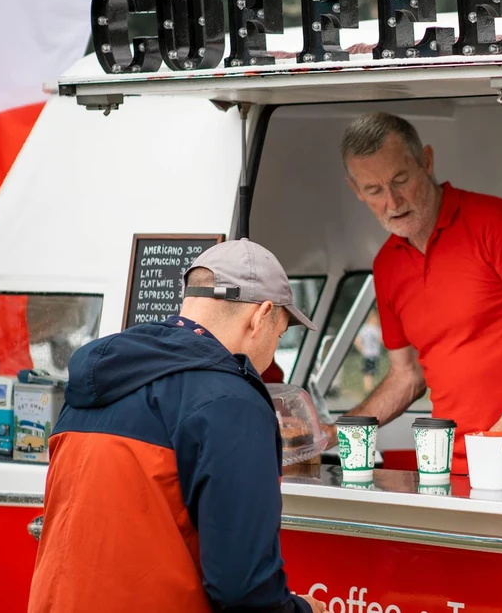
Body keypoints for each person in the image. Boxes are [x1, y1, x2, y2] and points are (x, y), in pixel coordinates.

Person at [28, 238, 327, 613]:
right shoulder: (232, 403)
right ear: (261, 315)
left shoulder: (96, 380)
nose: (269, 357)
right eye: (279, 334)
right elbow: (243, 588)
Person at [330, 112, 502, 475]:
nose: (392, 201)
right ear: (356, 190)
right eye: (374, 190)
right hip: (446, 468)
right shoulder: (386, 265)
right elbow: (407, 377)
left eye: (400, 180)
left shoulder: (495, 223)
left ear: (427, 162)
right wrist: (335, 432)